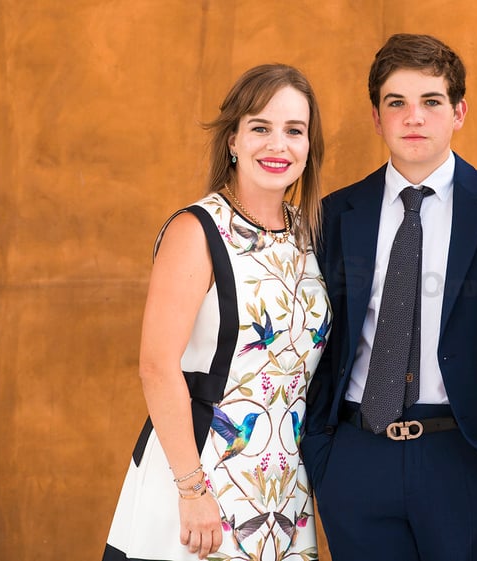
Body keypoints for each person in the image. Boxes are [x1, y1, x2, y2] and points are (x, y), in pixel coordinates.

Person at [302, 33, 477, 561]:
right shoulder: (335, 215)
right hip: (356, 456)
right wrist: (325, 454)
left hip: (470, 458)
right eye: (396, 103)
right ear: (376, 117)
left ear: (458, 112)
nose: (414, 118)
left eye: (431, 102)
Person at [103, 64, 328, 561]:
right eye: (260, 128)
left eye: (294, 131)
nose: (278, 145)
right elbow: (157, 366)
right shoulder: (197, 230)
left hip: (282, 494)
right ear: (232, 139)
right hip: (201, 480)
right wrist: (190, 490)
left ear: (309, 146)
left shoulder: (308, 234)